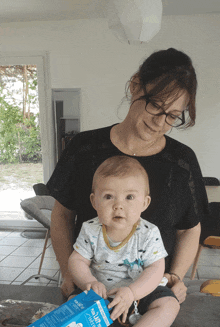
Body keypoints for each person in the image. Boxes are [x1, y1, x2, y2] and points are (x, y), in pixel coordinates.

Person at [47, 47, 209, 305]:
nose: (160, 122)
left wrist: (176, 276)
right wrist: (69, 274)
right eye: (156, 105)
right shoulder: (84, 147)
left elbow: (190, 228)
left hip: (149, 293)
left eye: (172, 116)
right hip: (92, 291)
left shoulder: (181, 162)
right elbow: (62, 215)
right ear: (135, 85)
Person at [68, 156, 180, 327]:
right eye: (109, 196)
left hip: (138, 295)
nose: (118, 205)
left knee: (169, 304)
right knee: (73, 302)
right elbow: (77, 260)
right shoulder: (90, 229)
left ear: (145, 203)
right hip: (100, 295)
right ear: (94, 201)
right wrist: (88, 281)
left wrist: (132, 292)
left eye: (129, 197)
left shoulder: (148, 233)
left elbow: (156, 269)